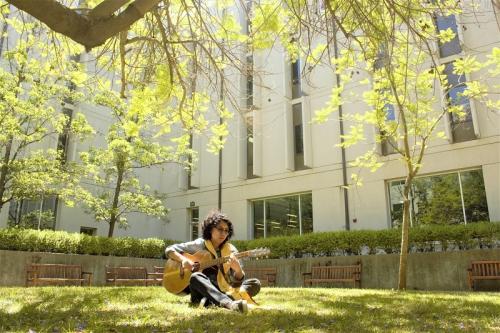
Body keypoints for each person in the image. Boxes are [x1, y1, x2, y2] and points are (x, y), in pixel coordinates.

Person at [165, 209, 261, 313]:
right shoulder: (200, 244)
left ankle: (212, 300)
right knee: (195, 277)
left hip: (224, 288)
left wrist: (238, 270)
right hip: (202, 289)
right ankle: (229, 304)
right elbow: (170, 250)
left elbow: (236, 282)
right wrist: (183, 260)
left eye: (226, 230)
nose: (223, 233)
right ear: (210, 229)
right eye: (220, 229)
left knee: (255, 283)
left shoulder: (231, 250)